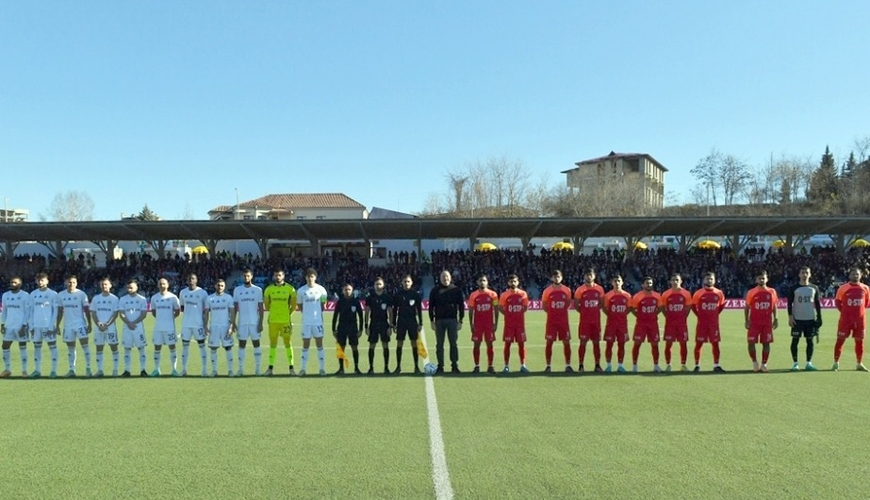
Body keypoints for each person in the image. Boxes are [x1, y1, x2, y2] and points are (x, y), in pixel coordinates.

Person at [832, 267, 870, 371]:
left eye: (857, 274)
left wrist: (858, 312)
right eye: (853, 274)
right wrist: (845, 312)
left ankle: (859, 363)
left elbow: (866, 302)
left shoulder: (865, 288)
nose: (855, 276)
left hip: (860, 320)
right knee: (840, 340)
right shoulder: (843, 288)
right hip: (845, 320)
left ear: (861, 275)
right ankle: (836, 363)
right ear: (849, 276)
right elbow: (838, 302)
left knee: (859, 341)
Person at [428, 270, 465, 374]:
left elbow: (461, 306)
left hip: (452, 320)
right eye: (443, 277)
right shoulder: (435, 290)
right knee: (439, 344)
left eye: (447, 277)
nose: (445, 279)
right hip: (439, 321)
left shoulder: (456, 290)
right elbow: (431, 307)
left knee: (453, 343)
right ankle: (440, 366)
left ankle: (454, 365)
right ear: (440, 278)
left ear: (450, 277)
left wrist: (460, 320)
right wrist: (432, 320)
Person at [786, 266, 822, 371]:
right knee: (795, 340)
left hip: (810, 319)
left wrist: (819, 317)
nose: (804, 275)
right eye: (802, 273)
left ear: (810, 274)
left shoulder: (814, 288)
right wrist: (790, 317)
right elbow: (789, 303)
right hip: (797, 319)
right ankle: (795, 363)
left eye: (807, 273)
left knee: (810, 341)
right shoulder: (794, 288)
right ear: (799, 274)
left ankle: (808, 363)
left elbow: (817, 303)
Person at [56, 275, 93, 378]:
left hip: (80, 324)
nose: (71, 284)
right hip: (68, 325)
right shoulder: (61, 295)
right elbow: (60, 311)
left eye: (73, 282)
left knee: (85, 347)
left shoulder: (81, 294)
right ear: (65, 283)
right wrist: (57, 325)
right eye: (69, 282)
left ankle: (88, 368)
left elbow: (86, 310)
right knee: (71, 348)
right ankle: (72, 369)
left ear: (76, 283)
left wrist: (89, 324)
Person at [263, 269, 297, 376]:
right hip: (273, 321)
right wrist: (273, 313)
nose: (278, 277)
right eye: (276, 275)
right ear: (273, 276)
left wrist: (287, 314)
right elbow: (267, 305)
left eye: (280, 275)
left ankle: (291, 368)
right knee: (273, 344)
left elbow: (294, 305)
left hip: (285, 321)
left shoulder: (290, 289)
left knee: (287, 343)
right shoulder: (269, 289)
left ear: (283, 276)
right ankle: (270, 368)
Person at [691, 272, 726, 372]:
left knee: (715, 344)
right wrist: (699, 315)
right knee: (699, 344)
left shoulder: (719, 293)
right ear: (704, 280)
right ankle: (697, 365)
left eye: (711, 279)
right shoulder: (698, 293)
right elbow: (693, 306)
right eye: (707, 279)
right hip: (702, 323)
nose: (709, 281)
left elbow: (721, 306)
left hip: (713, 324)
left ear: (714, 280)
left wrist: (714, 315)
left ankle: (716, 365)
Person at [296, 268, 329, 376]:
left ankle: (322, 369)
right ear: (305, 277)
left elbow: (323, 305)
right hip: (306, 322)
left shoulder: (321, 290)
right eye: (308, 276)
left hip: (317, 322)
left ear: (315, 277)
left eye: (312, 276)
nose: (310, 278)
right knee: (305, 345)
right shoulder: (301, 291)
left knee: (319, 344)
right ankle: (303, 369)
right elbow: (300, 306)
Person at [744, 270, 779, 373]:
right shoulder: (751, 292)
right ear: (756, 280)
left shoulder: (772, 291)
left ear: (767, 279)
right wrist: (746, 320)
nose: (761, 280)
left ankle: (764, 364)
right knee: (751, 342)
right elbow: (747, 307)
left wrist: (776, 319)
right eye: (759, 278)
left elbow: (774, 306)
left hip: (767, 323)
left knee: (766, 343)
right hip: (754, 323)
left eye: (763, 278)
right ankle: (754, 362)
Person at [233, 269, 264, 376]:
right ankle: (240, 369)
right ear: (242, 277)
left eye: (248, 276)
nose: (246, 278)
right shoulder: (237, 290)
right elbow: (235, 307)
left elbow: (261, 308)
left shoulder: (258, 290)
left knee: (256, 344)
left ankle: (258, 369)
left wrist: (260, 323)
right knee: (242, 345)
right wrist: (233, 322)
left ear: (251, 277)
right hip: (242, 323)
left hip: (254, 322)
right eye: (244, 276)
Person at [659, 273, 692, 372]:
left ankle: (683, 364)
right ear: (670, 282)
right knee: (668, 344)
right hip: (670, 324)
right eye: (673, 280)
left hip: (682, 324)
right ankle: (668, 364)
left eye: (677, 280)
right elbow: (662, 307)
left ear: (681, 281)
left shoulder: (686, 293)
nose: (675, 282)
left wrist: (683, 317)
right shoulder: (666, 294)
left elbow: (689, 307)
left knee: (683, 344)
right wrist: (668, 316)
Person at [574, 268, 605, 373]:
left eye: (590, 275)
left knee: (596, 343)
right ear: (584, 276)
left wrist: (593, 311)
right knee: (583, 343)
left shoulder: (599, 289)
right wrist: (585, 313)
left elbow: (601, 303)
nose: (589, 277)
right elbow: (576, 305)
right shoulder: (580, 290)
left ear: (594, 276)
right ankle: (581, 366)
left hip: (596, 321)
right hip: (585, 322)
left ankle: (597, 365)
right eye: (587, 275)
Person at [541, 269, 573, 373]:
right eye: (554, 276)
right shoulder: (547, 291)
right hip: (551, 321)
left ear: (561, 277)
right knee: (549, 342)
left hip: (563, 321)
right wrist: (553, 313)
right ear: (551, 278)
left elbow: (567, 303)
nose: (556, 278)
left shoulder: (567, 290)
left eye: (558, 276)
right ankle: (548, 365)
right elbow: (545, 306)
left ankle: (568, 365)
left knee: (566, 342)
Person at [467, 274, 499, 373]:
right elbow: (471, 310)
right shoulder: (473, 295)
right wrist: (471, 324)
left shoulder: (493, 295)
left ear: (487, 282)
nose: (482, 282)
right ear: (477, 282)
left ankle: (490, 365)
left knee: (490, 344)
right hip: (477, 324)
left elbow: (496, 309)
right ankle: (477, 366)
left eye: (484, 280)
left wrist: (495, 323)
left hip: (489, 324)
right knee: (476, 344)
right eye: (480, 280)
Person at [29, 273, 59, 378]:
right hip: (36, 326)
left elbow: (55, 311)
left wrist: (51, 325)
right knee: (37, 347)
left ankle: (53, 371)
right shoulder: (32, 294)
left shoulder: (53, 294)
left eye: (42, 280)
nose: (40, 282)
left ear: (47, 281)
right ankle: (37, 370)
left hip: (48, 325)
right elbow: (30, 311)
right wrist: (31, 326)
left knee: (52, 347)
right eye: (38, 280)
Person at [630, 277, 662, 373]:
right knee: (637, 344)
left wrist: (653, 315)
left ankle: (656, 365)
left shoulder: (657, 296)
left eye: (651, 283)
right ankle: (634, 366)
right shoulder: (637, 296)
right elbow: (632, 309)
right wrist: (640, 316)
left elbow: (660, 307)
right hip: (641, 324)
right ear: (643, 285)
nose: (649, 285)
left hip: (653, 324)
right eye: (647, 283)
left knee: (655, 345)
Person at [179, 273, 209, 377]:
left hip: (198, 324)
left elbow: (206, 310)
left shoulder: (202, 293)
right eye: (189, 279)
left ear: (196, 280)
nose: (190, 281)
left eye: (193, 279)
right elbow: (182, 307)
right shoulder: (183, 292)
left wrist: (205, 324)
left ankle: (204, 370)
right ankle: (183, 369)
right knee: (185, 347)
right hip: (186, 324)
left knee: (202, 347)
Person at [499, 274, 530, 373]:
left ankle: (523, 365)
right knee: (507, 345)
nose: (513, 283)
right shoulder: (504, 295)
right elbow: (500, 307)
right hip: (509, 325)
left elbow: (525, 307)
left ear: (518, 282)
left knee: (521, 345)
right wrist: (508, 315)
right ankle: (506, 366)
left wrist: (517, 314)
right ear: (508, 283)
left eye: (515, 281)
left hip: (520, 325)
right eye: (511, 281)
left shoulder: (523, 294)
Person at [89, 277, 120, 377]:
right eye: (102, 284)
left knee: (114, 347)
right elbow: (93, 313)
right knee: (99, 348)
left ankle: (115, 370)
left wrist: (107, 324)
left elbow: (115, 314)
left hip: (110, 328)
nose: (104, 286)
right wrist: (98, 323)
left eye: (106, 284)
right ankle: (100, 370)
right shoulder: (96, 298)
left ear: (110, 285)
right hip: (99, 328)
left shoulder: (114, 299)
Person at [150, 277, 181, 377]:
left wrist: (169, 318)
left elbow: (177, 311)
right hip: (158, 327)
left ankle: (174, 369)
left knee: (172, 348)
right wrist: (161, 318)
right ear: (158, 285)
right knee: (157, 348)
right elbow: (154, 312)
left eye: (164, 284)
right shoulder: (154, 298)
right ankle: (156, 369)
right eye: (160, 284)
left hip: (170, 327)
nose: (162, 285)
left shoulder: (173, 297)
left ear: (167, 285)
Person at [1, 276, 31, 378]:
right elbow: (4, 311)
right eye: (11, 282)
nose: (13, 284)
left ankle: (24, 371)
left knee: (22, 347)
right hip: (9, 325)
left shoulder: (25, 295)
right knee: (5, 346)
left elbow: (27, 312)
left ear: (20, 284)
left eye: (15, 283)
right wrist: (2, 324)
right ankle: (7, 369)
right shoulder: (5, 295)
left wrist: (24, 325)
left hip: (20, 326)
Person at [393, 274, 424, 374]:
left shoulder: (415, 295)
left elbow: (419, 310)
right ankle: (398, 367)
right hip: (401, 321)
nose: (406, 283)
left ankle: (416, 366)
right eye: (405, 281)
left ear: (411, 283)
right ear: (402, 283)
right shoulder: (398, 294)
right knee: (399, 343)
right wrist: (394, 323)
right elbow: (395, 310)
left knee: (414, 343)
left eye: (408, 281)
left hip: (412, 321)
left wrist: (420, 323)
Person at [118, 279, 148, 377]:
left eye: (131, 287)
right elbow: (121, 313)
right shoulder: (123, 299)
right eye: (128, 288)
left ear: (136, 287)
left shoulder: (142, 299)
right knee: (127, 349)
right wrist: (128, 323)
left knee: (141, 348)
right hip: (127, 327)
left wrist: (134, 322)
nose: (129, 289)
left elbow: (144, 314)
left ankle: (143, 370)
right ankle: (127, 370)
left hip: (138, 327)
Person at [205, 279, 235, 377]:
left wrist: (231, 326)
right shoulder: (209, 298)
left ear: (224, 286)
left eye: (222, 285)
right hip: (214, 327)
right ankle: (214, 371)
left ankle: (230, 370)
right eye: (218, 285)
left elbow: (232, 313)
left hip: (225, 326)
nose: (220, 287)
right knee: (213, 348)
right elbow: (206, 313)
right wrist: (205, 326)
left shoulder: (229, 298)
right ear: (215, 286)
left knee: (228, 348)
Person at [332, 283, 364, 374]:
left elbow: (361, 316)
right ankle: (341, 369)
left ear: (352, 290)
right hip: (342, 327)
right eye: (346, 290)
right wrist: (333, 329)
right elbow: (335, 316)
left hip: (353, 327)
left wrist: (360, 329)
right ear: (343, 291)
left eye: (349, 289)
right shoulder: (340, 302)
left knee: (354, 347)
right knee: (341, 348)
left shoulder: (356, 302)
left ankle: (356, 368)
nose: (347, 291)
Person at [602, 275, 631, 373]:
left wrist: (621, 315)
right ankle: (608, 365)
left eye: (619, 280)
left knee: (621, 345)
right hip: (611, 324)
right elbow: (605, 308)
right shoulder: (608, 296)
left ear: (622, 282)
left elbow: (629, 309)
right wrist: (612, 316)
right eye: (615, 281)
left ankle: (620, 365)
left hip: (622, 325)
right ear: (612, 283)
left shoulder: (627, 296)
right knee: (609, 345)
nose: (617, 282)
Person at [364, 277, 393, 374]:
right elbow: (367, 312)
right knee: (372, 345)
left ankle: (386, 368)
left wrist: (390, 326)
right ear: (374, 285)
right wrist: (366, 325)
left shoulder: (387, 297)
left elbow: (390, 312)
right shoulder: (370, 297)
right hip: (373, 324)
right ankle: (371, 368)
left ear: (383, 285)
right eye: (376, 284)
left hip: (384, 323)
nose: (378, 286)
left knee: (385, 345)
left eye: (380, 284)